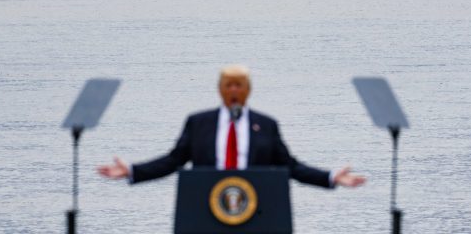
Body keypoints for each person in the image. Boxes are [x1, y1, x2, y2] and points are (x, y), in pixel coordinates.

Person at [98, 64, 365, 188]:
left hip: (256, 210)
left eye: (240, 85)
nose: (234, 90)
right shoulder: (199, 123)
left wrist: (330, 177)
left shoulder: (266, 125)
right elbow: (173, 161)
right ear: (220, 89)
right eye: (229, 85)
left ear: (248, 90)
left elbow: (291, 167)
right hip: (207, 209)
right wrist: (133, 171)